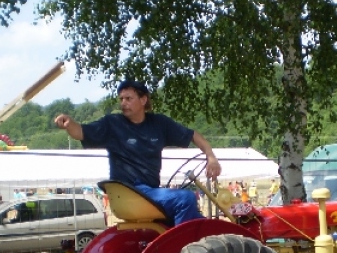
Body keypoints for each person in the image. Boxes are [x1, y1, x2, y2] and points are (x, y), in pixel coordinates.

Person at [54, 79, 221, 225]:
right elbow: (81, 132)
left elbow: (193, 135)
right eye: (121, 99)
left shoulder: (159, 124)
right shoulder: (112, 124)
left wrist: (211, 157)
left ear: (143, 100)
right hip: (132, 193)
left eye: (128, 99)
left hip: (149, 192)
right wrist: (69, 124)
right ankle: (185, 249)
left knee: (198, 218)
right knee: (186, 198)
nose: (123, 103)